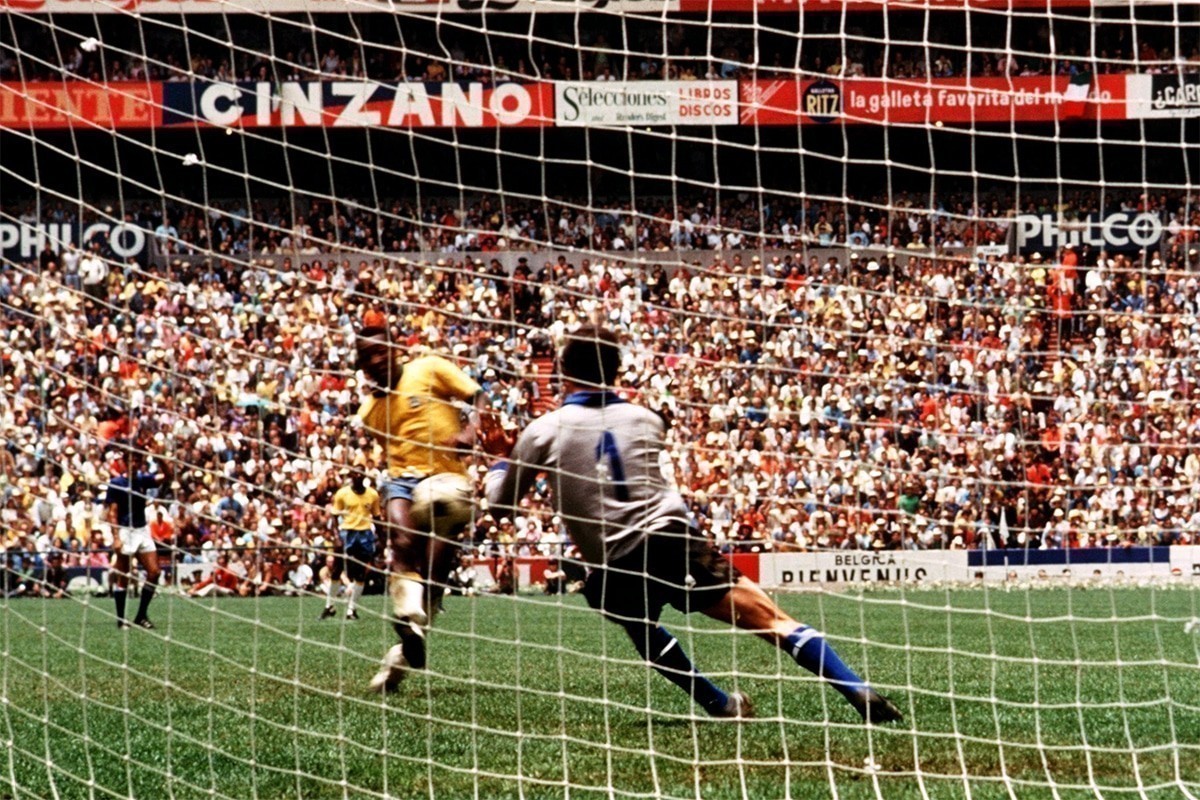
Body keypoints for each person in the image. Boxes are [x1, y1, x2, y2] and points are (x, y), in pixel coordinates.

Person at [484, 325, 903, 723]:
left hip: (616, 560)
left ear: (562, 372)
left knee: (640, 625)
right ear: (616, 371)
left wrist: (501, 458)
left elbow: (499, 505)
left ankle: (719, 704)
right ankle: (854, 686)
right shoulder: (647, 419)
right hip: (671, 538)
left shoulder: (543, 431)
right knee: (773, 620)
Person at [354, 325, 500, 692]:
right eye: (366, 356)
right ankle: (405, 618)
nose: (375, 360)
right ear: (362, 366)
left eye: (379, 350)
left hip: (447, 483)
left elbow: (478, 394)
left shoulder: (430, 368)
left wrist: (471, 429)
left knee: (433, 581)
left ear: (394, 347)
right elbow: (391, 452)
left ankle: (397, 664)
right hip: (401, 481)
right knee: (403, 542)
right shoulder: (369, 411)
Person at [105, 441, 166, 630]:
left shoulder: (143, 480)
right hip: (125, 531)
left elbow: (168, 477)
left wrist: (159, 456)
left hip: (142, 529)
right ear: (124, 461)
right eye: (130, 460)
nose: (133, 463)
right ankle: (121, 619)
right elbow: (112, 512)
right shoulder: (116, 483)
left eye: (137, 460)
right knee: (124, 576)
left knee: (155, 572)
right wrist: (115, 536)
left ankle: (140, 615)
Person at [321, 470, 381, 621]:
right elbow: (334, 516)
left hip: (365, 534)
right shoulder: (342, 493)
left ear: (365, 476)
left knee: (360, 573)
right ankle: (329, 606)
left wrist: (382, 537)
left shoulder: (372, 494)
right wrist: (336, 536)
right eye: (355, 474)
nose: (358, 476)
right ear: (351, 477)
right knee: (337, 569)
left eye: (361, 473)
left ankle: (351, 610)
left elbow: (377, 516)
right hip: (347, 533)